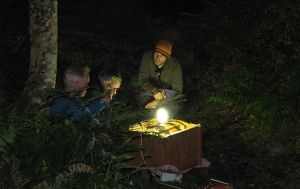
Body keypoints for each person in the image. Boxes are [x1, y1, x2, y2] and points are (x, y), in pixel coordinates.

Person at [137, 40, 185, 117]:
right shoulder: (147, 58)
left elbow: (177, 90)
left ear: (167, 57)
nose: (157, 57)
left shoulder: (175, 65)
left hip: (167, 92)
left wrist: (158, 102)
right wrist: (154, 90)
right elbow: (142, 80)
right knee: (142, 98)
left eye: (161, 55)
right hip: (151, 88)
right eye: (156, 53)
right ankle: (146, 118)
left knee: (176, 105)